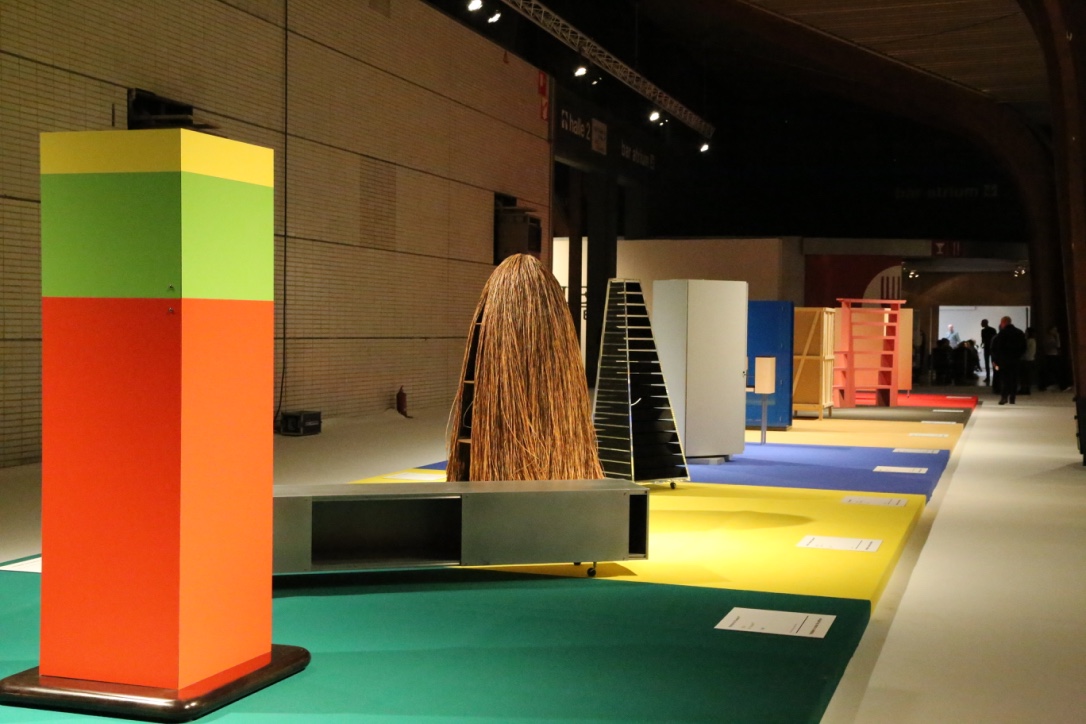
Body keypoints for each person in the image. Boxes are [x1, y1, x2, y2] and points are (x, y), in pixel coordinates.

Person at [991, 316, 1027, 405]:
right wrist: (1018, 356)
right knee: (1014, 379)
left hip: (1004, 360)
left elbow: (996, 348)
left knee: (1005, 379)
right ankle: (1012, 397)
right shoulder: (1019, 333)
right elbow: (1024, 347)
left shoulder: (1001, 334)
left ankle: (1004, 397)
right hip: (1015, 360)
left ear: (1003, 323)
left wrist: (996, 360)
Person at [1019, 327, 1036, 395]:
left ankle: (1023, 389)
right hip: (1031, 359)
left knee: (1024, 376)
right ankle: (1027, 389)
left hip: (1025, 360)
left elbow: (1023, 350)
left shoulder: (1028, 341)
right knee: (1028, 376)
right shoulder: (1033, 341)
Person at [980, 319, 996, 385]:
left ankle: (988, 377)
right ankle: (995, 376)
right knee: (994, 363)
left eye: (982, 323)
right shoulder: (993, 330)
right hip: (992, 348)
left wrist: (982, 344)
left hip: (987, 348)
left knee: (987, 363)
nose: (981, 324)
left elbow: (983, 340)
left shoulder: (983, 331)